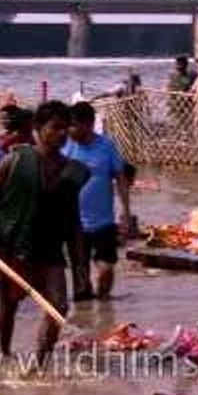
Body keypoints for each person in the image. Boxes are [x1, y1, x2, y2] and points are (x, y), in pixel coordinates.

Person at [0, 101, 90, 367]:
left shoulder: (73, 171)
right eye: (55, 127)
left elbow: (73, 225)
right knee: (8, 304)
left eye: (66, 128)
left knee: (59, 306)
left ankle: (38, 365)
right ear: (38, 128)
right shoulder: (15, 159)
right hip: (12, 248)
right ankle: (5, 355)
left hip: (50, 251)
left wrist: (80, 271)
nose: (62, 134)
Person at [64, 102, 132, 301]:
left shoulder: (106, 146)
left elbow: (120, 178)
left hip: (103, 221)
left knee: (106, 268)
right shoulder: (66, 147)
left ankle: (104, 306)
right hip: (74, 223)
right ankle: (87, 316)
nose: (69, 130)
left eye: (73, 125)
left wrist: (126, 211)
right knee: (81, 282)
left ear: (89, 124)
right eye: (69, 125)